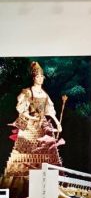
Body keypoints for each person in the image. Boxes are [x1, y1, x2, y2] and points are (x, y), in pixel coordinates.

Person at [3, 61, 64, 189]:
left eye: (42, 76)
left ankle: (45, 187)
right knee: (25, 155)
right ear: (34, 78)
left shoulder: (44, 94)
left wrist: (57, 123)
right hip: (30, 127)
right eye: (38, 76)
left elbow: (49, 110)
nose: (40, 79)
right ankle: (21, 186)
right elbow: (21, 109)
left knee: (46, 154)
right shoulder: (27, 92)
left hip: (42, 126)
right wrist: (31, 117)